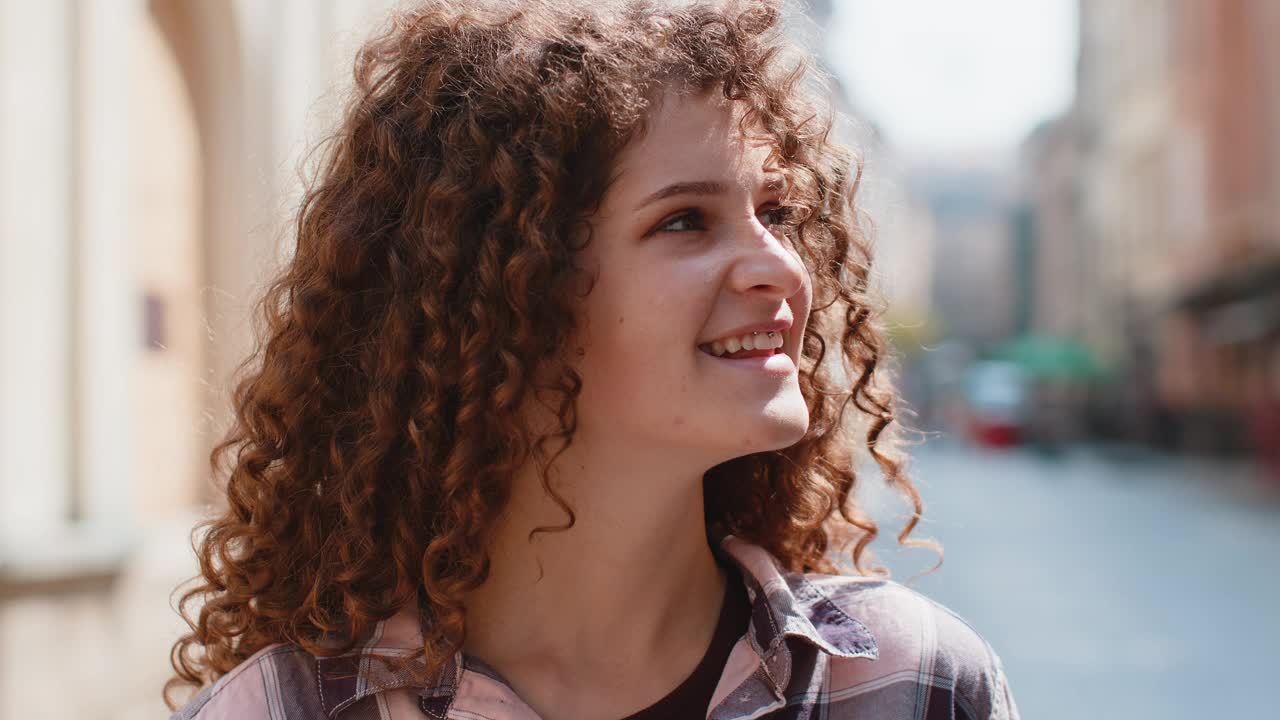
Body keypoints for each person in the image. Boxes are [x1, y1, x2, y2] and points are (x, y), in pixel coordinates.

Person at [165, 1, 1020, 718]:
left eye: (777, 213)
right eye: (685, 220)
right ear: (506, 297)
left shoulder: (912, 685)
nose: (782, 268)